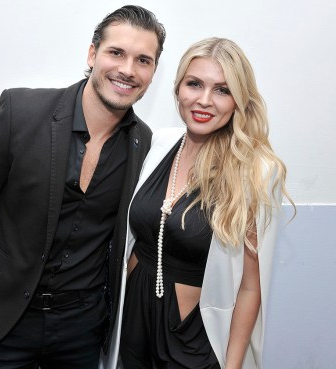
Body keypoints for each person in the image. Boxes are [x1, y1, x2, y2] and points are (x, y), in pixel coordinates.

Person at [0, 5, 166, 369]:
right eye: (116, 52)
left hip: (83, 328)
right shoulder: (21, 110)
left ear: (153, 71)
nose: (128, 70)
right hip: (4, 315)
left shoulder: (144, 143)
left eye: (143, 60)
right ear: (93, 53)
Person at [110, 37, 294, 369]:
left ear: (239, 101)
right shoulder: (161, 143)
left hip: (191, 339)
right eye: (194, 84)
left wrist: (233, 365)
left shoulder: (255, 171)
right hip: (133, 326)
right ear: (178, 88)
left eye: (222, 90)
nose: (204, 100)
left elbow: (251, 289)